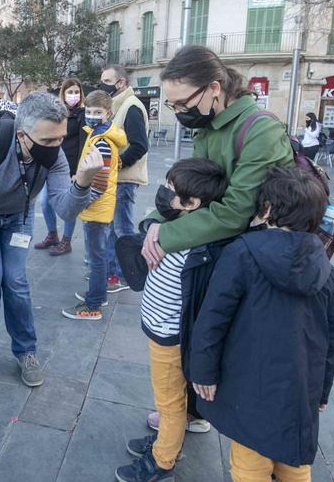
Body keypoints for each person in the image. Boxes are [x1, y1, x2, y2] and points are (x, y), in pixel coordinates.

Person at [139, 45, 295, 435]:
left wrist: (166, 235)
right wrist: (151, 223)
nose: (178, 113)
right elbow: (190, 189)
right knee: (192, 329)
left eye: (181, 103)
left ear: (213, 88)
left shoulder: (261, 130)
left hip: (249, 257)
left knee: (223, 341)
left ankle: (215, 419)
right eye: (172, 106)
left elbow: (233, 212)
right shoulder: (207, 127)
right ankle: (188, 412)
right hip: (211, 250)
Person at [190, 166, 334, 482]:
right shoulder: (326, 269)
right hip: (300, 391)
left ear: (268, 209)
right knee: (295, 464)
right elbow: (333, 335)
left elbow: (213, 317)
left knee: (249, 465)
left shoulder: (242, 253)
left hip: (249, 387)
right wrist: (322, 391)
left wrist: (203, 370)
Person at [0, 92, 104, 396]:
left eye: (61, 138)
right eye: (48, 141)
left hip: (18, 220)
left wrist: (83, 182)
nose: (56, 147)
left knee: (17, 282)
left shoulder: (56, 154)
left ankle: (25, 351)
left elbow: (64, 208)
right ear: (23, 136)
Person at [115, 158, 229, 482]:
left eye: (171, 190)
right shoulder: (174, 226)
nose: (163, 194)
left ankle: (162, 460)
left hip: (168, 335)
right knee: (171, 398)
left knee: (169, 400)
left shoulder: (194, 244)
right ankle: (170, 435)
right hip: (160, 326)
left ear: (193, 204)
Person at [62, 90, 126, 320]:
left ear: (108, 113)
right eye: (88, 111)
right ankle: (99, 294)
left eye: (97, 112)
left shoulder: (102, 141)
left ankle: (93, 305)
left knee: (96, 258)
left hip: (96, 208)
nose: (91, 115)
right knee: (98, 256)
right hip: (100, 208)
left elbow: (99, 181)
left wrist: (82, 202)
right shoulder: (97, 134)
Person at [98, 65, 150, 294]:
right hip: (116, 180)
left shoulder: (131, 107)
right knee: (112, 228)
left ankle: (127, 274)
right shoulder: (120, 106)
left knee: (122, 228)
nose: (102, 85)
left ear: (120, 83)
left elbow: (139, 145)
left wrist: (116, 163)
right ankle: (114, 272)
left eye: (106, 80)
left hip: (123, 180)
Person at [35, 78, 87, 256]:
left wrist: (78, 171)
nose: (74, 95)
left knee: (69, 205)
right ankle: (52, 234)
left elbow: (83, 143)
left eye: (76, 92)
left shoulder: (83, 114)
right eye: (70, 92)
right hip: (53, 163)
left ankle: (67, 240)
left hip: (71, 166)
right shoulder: (57, 114)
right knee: (45, 201)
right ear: (63, 94)